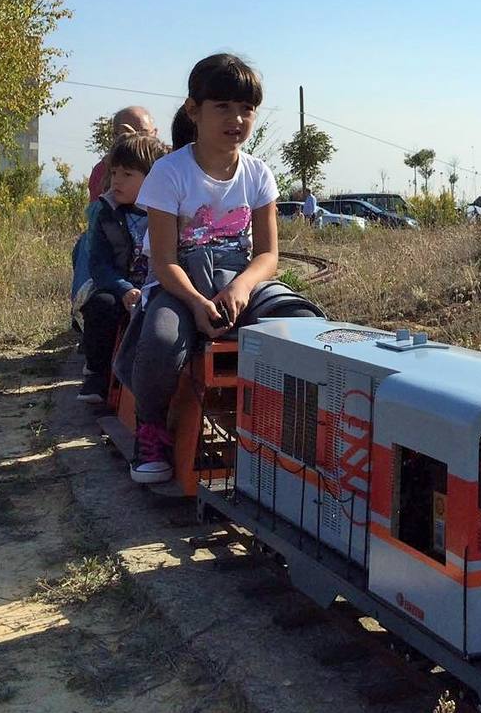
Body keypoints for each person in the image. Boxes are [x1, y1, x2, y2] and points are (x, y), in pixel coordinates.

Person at [117, 53, 322, 484]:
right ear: (194, 110)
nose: (237, 118)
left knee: (304, 324)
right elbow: (164, 260)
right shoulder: (168, 173)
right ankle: (151, 429)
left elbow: (268, 255)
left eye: (247, 108)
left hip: (238, 279)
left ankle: (293, 435)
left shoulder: (259, 174)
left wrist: (242, 288)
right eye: (223, 107)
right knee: (161, 339)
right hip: (179, 283)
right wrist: (193, 302)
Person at [77, 132, 168, 402]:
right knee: (101, 306)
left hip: (159, 284)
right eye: (114, 172)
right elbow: (99, 263)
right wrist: (123, 288)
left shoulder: (165, 211)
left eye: (127, 174)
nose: (116, 180)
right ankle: (97, 374)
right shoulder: (106, 213)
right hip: (117, 285)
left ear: (152, 178)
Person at [88, 106, 157, 202]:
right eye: (128, 134)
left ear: (155, 133)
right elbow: (98, 212)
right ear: (115, 137)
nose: (136, 140)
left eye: (143, 133)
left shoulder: (167, 168)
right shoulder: (102, 171)